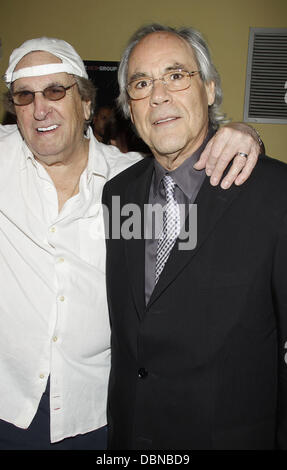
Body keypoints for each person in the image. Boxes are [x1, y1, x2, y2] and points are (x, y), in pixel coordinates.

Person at [0, 36, 261, 450]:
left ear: (86, 103)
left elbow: (184, 269)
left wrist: (243, 134)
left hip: (92, 415)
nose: (40, 108)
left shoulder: (128, 183)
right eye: (24, 96)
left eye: (55, 91)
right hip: (8, 404)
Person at [102, 24, 287, 450]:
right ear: (130, 107)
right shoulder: (118, 194)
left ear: (208, 89)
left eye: (176, 75)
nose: (159, 95)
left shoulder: (273, 193)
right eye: (141, 83)